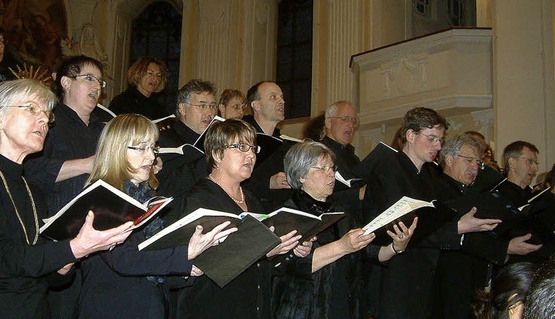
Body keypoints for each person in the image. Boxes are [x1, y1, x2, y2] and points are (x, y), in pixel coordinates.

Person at [0, 79, 134, 318]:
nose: (44, 119)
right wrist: (73, 249)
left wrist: (65, 263)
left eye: (46, 114)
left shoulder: (31, 188)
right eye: (31, 109)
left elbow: (47, 274)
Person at [77, 114, 235, 318]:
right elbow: (124, 259)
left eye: (153, 148)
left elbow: (154, 263)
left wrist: (190, 268)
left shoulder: (146, 197)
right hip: (112, 309)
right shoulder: (103, 196)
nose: (151, 157)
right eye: (141, 148)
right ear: (116, 149)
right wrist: (183, 255)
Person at [361, 107, 500, 319]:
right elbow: (404, 227)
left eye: (440, 139)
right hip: (395, 277)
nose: (438, 146)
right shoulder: (388, 169)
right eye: (432, 138)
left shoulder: (428, 175)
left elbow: (432, 223)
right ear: (410, 135)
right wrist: (457, 228)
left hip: (422, 277)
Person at [176, 118, 307, 319]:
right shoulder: (198, 201)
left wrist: (286, 248)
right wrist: (262, 251)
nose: (250, 155)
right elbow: (202, 264)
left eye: (253, 149)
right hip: (213, 308)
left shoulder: (253, 201)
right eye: (241, 147)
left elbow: (262, 266)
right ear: (217, 154)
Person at [273, 141, 419, 319]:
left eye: (332, 168)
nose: (331, 175)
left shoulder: (341, 210)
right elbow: (292, 266)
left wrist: (396, 247)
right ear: (301, 175)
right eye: (321, 169)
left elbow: (367, 252)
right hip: (306, 309)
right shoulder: (287, 214)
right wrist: (342, 246)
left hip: (346, 306)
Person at [24, 55, 107, 319]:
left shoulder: (102, 129)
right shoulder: (48, 122)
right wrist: (86, 164)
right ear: (66, 82)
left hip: (97, 237)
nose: (97, 87)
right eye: (89, 78)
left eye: (100, 82)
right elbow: (31, 171)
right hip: (57, 235)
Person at [431, 134, 536, 319]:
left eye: (478, 162)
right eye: (469, 160)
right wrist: (505, 247)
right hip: (448, 280)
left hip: (471, 281)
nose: (475, 167)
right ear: (448, 159)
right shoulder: (437, 190)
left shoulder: (473, 192)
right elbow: (462, 236)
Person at [156, 79, 217, 204]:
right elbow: (164, 189)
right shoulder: (164, 141)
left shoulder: (216, 139)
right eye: (202, 106)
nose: (209, 113)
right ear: (182, 109)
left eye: (212, 106)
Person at [242, 81, 292, 211]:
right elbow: (231, 180)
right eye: (273, 97)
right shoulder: (241, 139)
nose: (282, 101)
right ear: (256, 105)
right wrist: (268, 183)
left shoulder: (284, 145)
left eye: (282, 97)